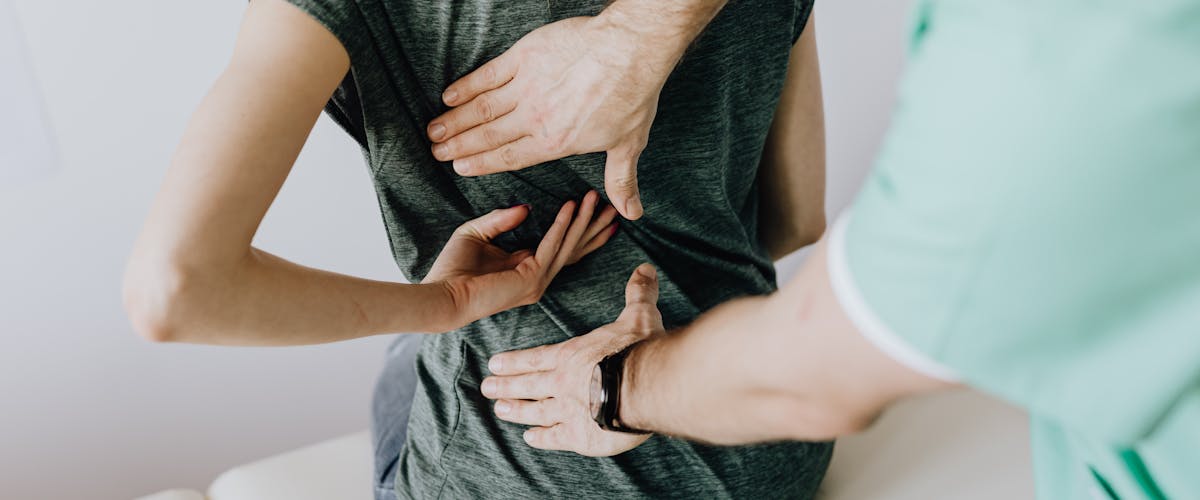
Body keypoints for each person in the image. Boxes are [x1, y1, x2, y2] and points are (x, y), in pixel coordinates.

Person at [469, 1, 1200, 499]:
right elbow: (795, 221)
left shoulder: (1049, 68)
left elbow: (822, 371)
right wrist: (640, 36)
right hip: (775, 458)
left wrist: (611, 387)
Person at [124, 0, 834, 498]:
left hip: (533, 475)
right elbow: (795, 221)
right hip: (762, 441)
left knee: (409, 351)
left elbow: (178, 290)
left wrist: (445, 302)